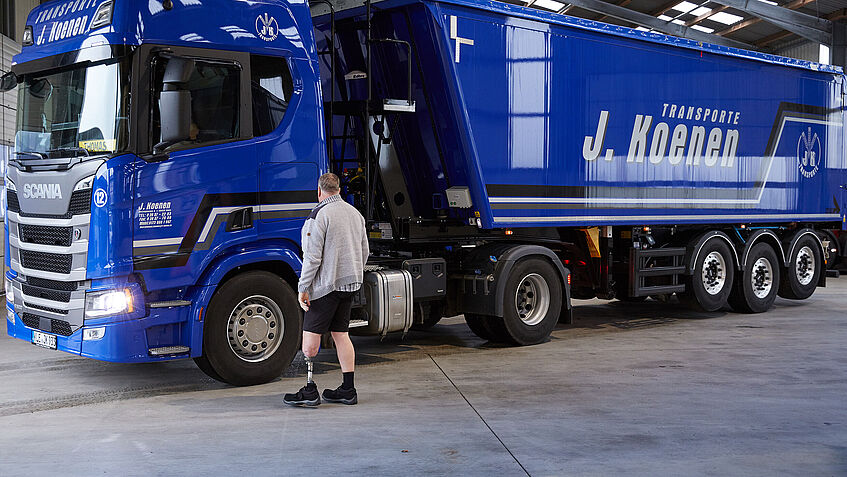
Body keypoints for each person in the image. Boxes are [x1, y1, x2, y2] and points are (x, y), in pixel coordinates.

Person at [283, 173, 369, 407]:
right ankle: (348, 390)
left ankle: (310, 391)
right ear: (339, 190)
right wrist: (355, 274)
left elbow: (312, 258)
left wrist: (303, 287)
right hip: (350, 284)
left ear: (319, 191)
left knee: (310, 338)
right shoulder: (355, 214)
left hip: (326, 287)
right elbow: (365, 251)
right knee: (341, 335)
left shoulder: (318, 215)